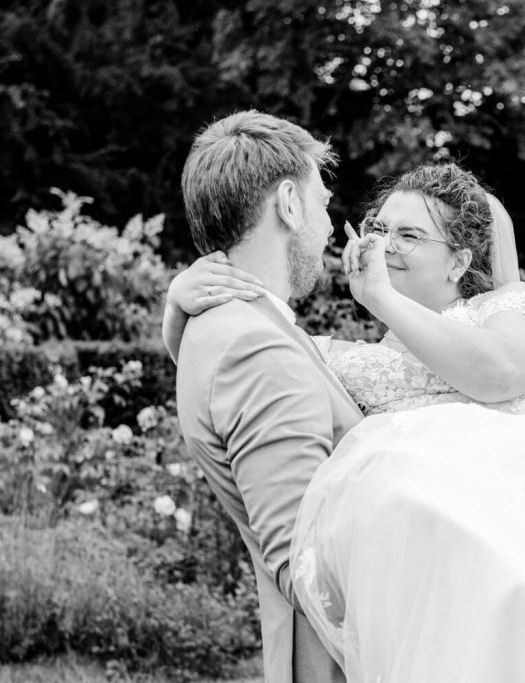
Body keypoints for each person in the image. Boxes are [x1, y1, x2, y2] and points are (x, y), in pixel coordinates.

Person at [166, 160, 525, 681]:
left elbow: (497, 373)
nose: (384, 244)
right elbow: (256, 356)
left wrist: (378, 297)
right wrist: (179, 305)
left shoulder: (509, 306)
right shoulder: (352, 359)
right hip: (435, 593)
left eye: (409, 235)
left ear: (458, 261)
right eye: (378, 229)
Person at [172, 110, 359, 683]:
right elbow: (305, 565)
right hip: (341, 661)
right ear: (289, 203)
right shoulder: (254, 348)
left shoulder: (226, 328)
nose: (330, 226)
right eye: (322, 202)